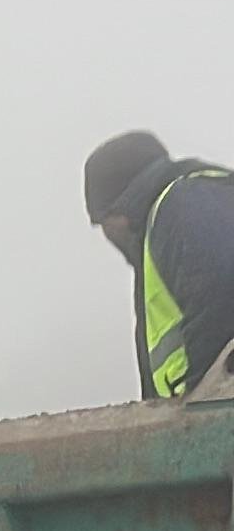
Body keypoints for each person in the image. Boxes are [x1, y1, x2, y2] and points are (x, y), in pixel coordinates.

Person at [83, 131, 234, 404]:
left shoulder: (184, 203)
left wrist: (206, 406)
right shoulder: (195, 203)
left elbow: (225, 289)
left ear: (118, 212)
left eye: (101, 222)